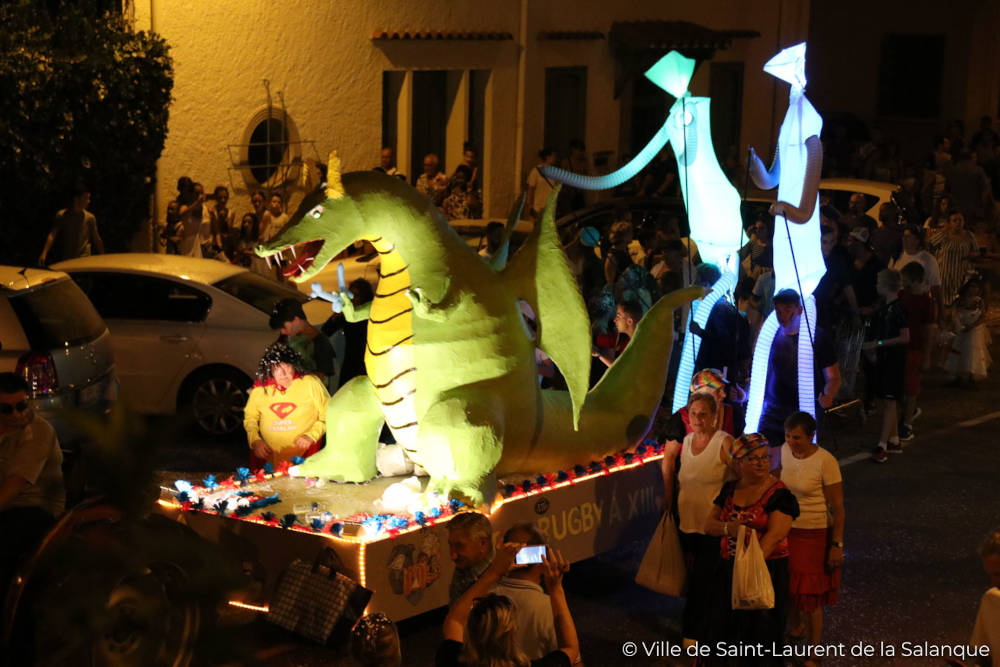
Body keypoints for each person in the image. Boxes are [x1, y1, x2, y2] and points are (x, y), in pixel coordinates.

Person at [703, 433, 799, 666]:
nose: (761, 463)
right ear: (739, 463)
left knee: (761, 633)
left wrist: (748, 567)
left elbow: (776, 534)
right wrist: (729, 528)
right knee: (725, 628)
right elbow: (709, 525)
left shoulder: (780, 494)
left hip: (765, 571)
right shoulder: (730, 489)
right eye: (753, 459)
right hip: (728, 568)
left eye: (764, 458)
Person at [662, 392, 734, 647]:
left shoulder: (724, 442)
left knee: (703, 578)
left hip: (711, 526)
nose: (697, 419)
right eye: (693, 414)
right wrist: (669, 499)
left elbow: (737, 476)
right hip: (687, 522)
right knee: (694, 577)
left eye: (704, 414)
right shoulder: (688, 440)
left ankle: (693, 632)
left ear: (715, 416)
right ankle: (708, 623)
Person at [437, 543, 579, 667]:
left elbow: (454, 621)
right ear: (513, 634)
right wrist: (555, 589)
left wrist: (494, 572)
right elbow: (570, 648)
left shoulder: (451, 659)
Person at [775, 412, 844, 667]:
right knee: (790, 588)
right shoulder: (784, 451)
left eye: (797, 437)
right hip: (788, 530)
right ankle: (796, 628)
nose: (791, 442)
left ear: (811, 436)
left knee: (811, 595)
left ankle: (813, 652)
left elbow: (838, 507)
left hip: (814, 534)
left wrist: (837, 544)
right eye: (788, 436)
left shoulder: (826, 461)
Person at [758, 289, 840, 469]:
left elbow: (833, 377)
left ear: (800, 310)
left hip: (802, 410)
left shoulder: (816, 338)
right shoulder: (770, 336)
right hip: (772, 409)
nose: (782, 316)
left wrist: (828, 395)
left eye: (788, 310)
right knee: (769, 462)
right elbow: (760, 373)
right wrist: (747, 393)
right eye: (778, 311)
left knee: (799, 464)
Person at [0, 373, 65, 592]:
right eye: (7, 409)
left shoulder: (38, 431)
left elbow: (15, 484)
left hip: (35, 507)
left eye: (21, 405)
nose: (16, 414)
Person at [242, 343, 329, 468]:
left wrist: (311, 436)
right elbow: (250, 418)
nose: (282, 373)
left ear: (294, 365)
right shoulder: (260, 389)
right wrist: (255, 441)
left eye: (287, 366)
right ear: (270, 369)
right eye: (277, 368)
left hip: (306, 457)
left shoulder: (310, 383)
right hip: (269, 460)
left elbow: (328, 413)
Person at [864, 269, 910, 463]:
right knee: (886, 399)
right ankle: (893, 439)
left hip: (894, 360)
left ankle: (882, 444)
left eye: (878, 282)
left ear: (886, 285)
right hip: (886, 359)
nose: (876, 285)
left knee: (890, 401)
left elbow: (905, 337)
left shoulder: (898, 308)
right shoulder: (886, 308)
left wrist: (878, 344)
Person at [494, 524, 558, 660]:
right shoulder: (548, 607)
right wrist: (558, 591)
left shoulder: (487, 597)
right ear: (542, 560)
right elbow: (568, 654)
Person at [897, 262, 935, 441]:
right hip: (901, 348)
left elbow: (929, 329)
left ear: (913, 280)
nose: (902, 282)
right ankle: (906, 416)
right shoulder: (902, 295)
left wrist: (927, 356)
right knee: (902, 386)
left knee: (911, 388)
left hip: (914, 349)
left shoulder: (925, 301)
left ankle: (907, 424)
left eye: (905, 278)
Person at [269, 298, 336, 389]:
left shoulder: (321, 343)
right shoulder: (286, 338)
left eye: (284, 327)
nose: (283, 332)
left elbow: (319, 379)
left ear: (296, 320)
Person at [943, 276, 991, 388]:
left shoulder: (979, 301)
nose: (974, 289)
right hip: (961, 329)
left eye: (977, 287)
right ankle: (958, 376)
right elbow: (952, 311)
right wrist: (956, 323)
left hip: (974, 331)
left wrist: (972, 326)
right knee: (958, 350)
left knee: (972, 352)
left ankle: (971, 377)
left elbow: (983, 317)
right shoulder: (960, 300)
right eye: (972, 286)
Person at [39, 184, 104, 266]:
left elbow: (96, 238)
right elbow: (53, 234)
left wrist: (102, 256)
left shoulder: (89, 218)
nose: (88, 201)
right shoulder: (62, 215)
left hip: (85, 258)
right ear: (76, 199)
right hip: (68, 259)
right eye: (85, 198)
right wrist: (44, 253)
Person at [930, 210, 979, 307]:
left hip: (961, 276)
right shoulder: (944, 235)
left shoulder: (969, 235)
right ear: (949, 223)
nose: (958, 223)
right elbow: (929, 244)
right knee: (943, 304)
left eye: (960, 220)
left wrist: (971, 255)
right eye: (955, 220)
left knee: (959, 305)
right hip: (944, 275)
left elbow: (977, 251)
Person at [447, 511, 494, 604]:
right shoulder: (463, 570)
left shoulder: (504, 577)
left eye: (459, 546)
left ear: (483, 544)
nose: (453, 556)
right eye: (450, 545)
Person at [969, 528, 1000, 665]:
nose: (994, 582)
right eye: (992, 574)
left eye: (999, 574)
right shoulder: (991, 600)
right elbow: (984, 658)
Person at [592, 300, 640, 368]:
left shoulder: (637, 347)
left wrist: (599, 355)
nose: (614, 320)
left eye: (618, 316)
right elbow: (602, 340)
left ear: (629, 321)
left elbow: (621, 371)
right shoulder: (623, 339)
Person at [526, 149, 557, 221]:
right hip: (537, 208)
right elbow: (530, 189)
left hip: (549, 209)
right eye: (553, 156)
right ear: (548, 157)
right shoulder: (536, 171)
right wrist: (530, 206)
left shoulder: (555, 172)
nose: (555, 158)